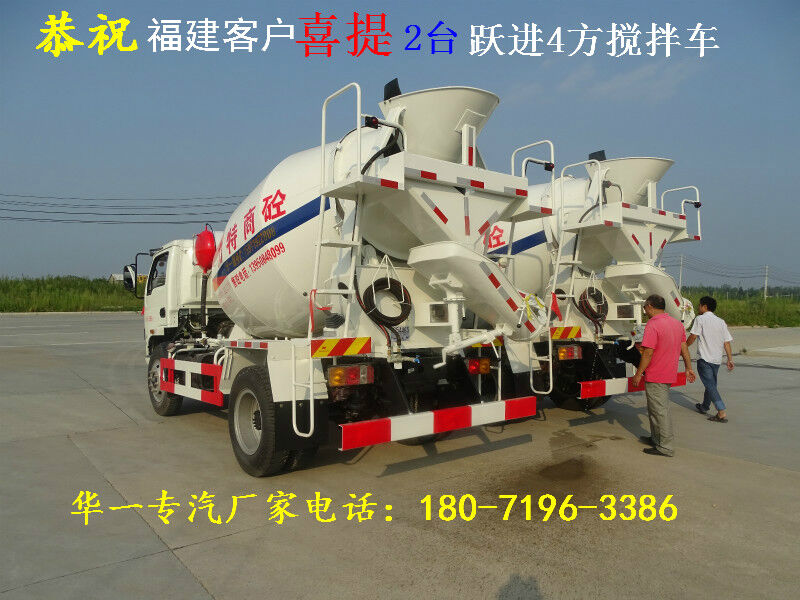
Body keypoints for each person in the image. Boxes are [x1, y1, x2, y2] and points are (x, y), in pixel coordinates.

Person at [632, 294, 696, 457]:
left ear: (650, 306)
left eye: (645, 307)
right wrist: (688, 367)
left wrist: (638, 373)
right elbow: (684, 348)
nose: (645, 311)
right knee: (655, 410)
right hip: (668, 373)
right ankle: (656, 439)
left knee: (660, 411)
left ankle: (665, 447)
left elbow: (648, 353)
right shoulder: (676, 324)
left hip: (656, 374)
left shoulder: (653, 324)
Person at [686, 295, 734, 423]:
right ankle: (704, 406)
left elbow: (693, 336)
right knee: (710, 384)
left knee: (711, 386)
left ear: (704, 306)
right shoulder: (721, 322)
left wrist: (683, 347)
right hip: (716, 360)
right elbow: (726, 342)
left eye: (699, 305)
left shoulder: (700, 319)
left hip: (704, 359)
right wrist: (729, 359)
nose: (698, 307)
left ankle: (721, 411)